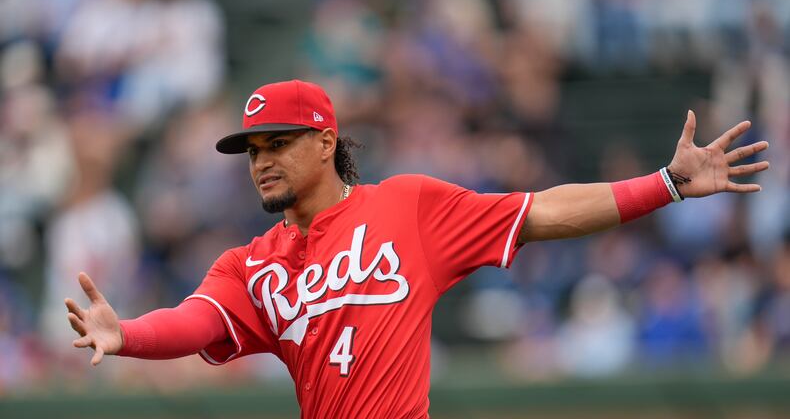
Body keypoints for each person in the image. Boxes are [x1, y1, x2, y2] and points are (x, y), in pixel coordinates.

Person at [65, 80, 769, 418]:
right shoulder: (249, 264)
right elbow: (196, 323)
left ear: (325, 142)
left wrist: (667, 184)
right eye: (252, 149)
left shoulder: (408, 208)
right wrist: (124, 335)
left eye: (277, 143)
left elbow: (542, 212)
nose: (261, 161)